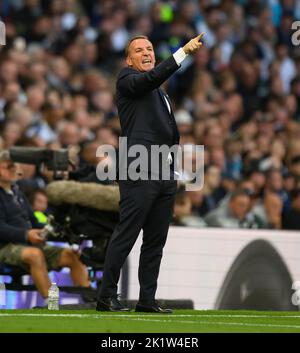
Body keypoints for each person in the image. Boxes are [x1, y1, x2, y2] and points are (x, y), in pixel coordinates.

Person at [96, 33, 204, 313]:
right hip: (139, 167)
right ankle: (106, 297)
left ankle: (146, 300)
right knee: (126, 234)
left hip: (163, 170)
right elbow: (151, 78)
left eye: (150, 48)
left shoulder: (159, 91)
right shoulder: (127, 79)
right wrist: (183, 52)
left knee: (155, 240)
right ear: (128, 60)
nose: (146, 53)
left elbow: (168, 131)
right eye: (139, 50)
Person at [0, 150, 91, 304]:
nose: (14, 169)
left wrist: (53, 230)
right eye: (8, 166)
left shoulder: (17, 193)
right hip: (4, 247)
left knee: (72, 255)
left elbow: (34, 222)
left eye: (14, 165)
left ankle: (90, 298)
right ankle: (52, 303)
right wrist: (26, 235)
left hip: (26, 245)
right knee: (35, 255)